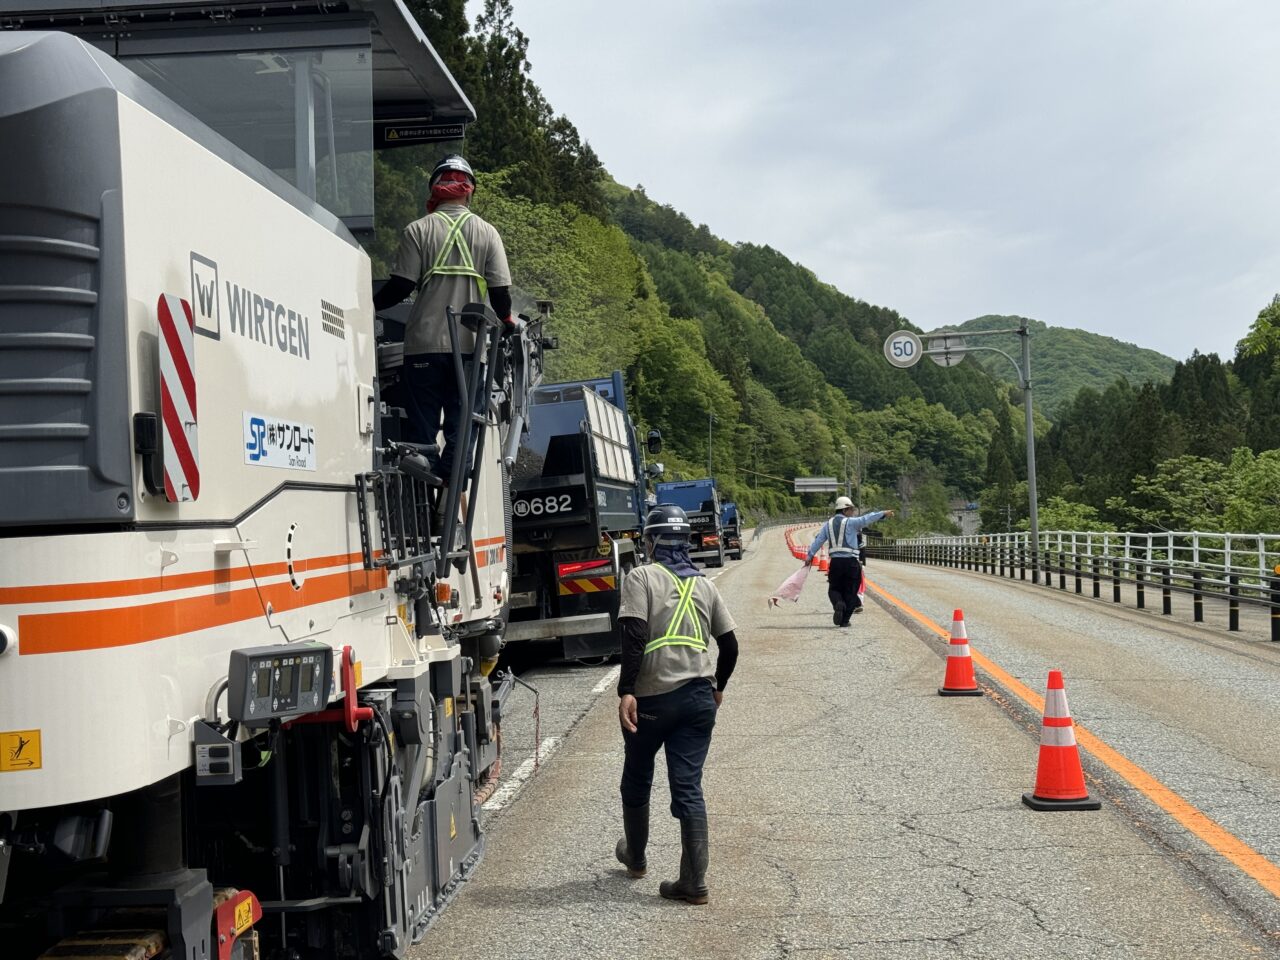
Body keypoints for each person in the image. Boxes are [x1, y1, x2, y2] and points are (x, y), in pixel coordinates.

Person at [615, 504, 739, 905]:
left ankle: (635, 858)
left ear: (651, 542)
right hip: (699, 700)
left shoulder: (641, 577)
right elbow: (731, 644)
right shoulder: (705, 585)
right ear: (685, 541)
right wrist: (718, 685)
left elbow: (633, 637)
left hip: (652, 700)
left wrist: (626, 692)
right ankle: (694, 882)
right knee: (688, 786)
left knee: (637, 775)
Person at [373, 155, 513, 478]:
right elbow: (501, 293)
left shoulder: (417, 231)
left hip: (423, 345)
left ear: (435, 191)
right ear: (469, 192)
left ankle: (426, 490)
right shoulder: (488, 233)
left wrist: (369, 304)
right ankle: (450, 495)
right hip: (468, 349)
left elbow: (400, 286)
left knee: (421, 433)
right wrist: (506, 321)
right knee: (462, 430)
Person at [806, 497, 893, 627]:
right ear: (845, 509)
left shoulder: (827, 525)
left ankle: (838, 604)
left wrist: (809, 556)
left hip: (835, 563)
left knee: (834, 589)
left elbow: (818, 540)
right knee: (851, 592)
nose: (853, 512)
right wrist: (883, 513)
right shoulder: (851, 522)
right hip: (851, 563)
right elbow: (866, 518)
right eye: (851, 509)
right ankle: (845, 620)